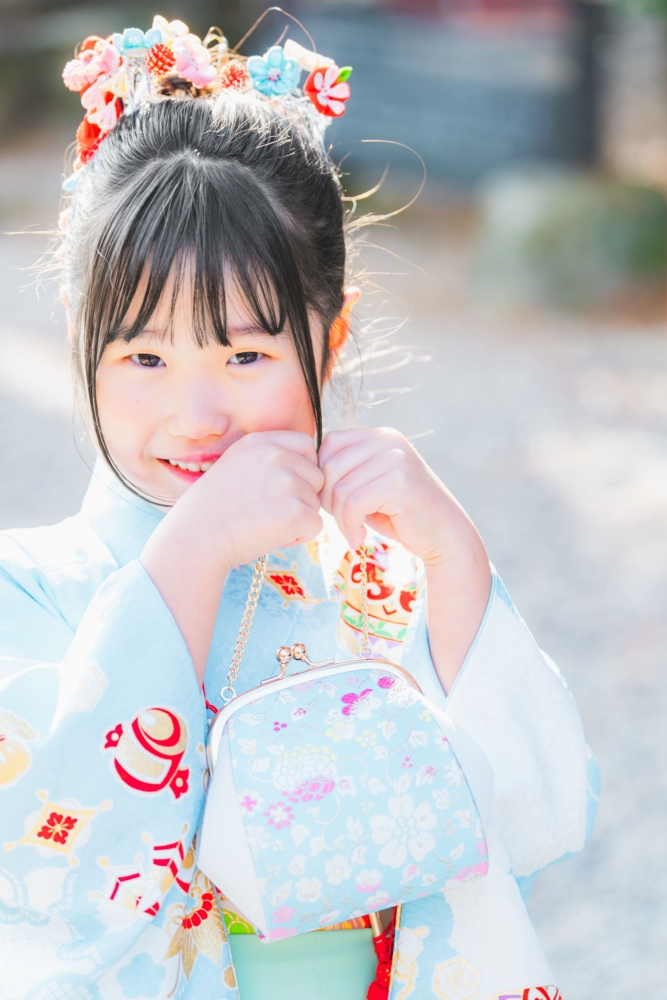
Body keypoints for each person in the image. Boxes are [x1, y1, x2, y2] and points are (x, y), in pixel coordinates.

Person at [0, 14, 598, 1000]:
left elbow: (538, 817)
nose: (197, 414)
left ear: (330, 341)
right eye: (145, 357)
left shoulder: (382, 579)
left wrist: (456, 564)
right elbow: (55, 863)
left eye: (245, 355)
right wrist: (186, 560)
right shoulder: (28, 587)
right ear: (81, 340)